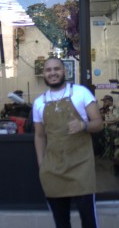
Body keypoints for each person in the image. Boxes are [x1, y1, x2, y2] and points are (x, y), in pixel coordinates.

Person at [33, 57, 104, 228]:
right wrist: (42, 164)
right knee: (61, 222)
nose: (53, 73)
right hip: (53, 169)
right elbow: (40, 136)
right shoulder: (39, 103)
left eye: (56, 69)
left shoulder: (81, 93)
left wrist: (83, 125)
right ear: (44, 74)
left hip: (81, 167)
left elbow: (99, 124)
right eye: (49, 70)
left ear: (64, 71)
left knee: (88, 220)